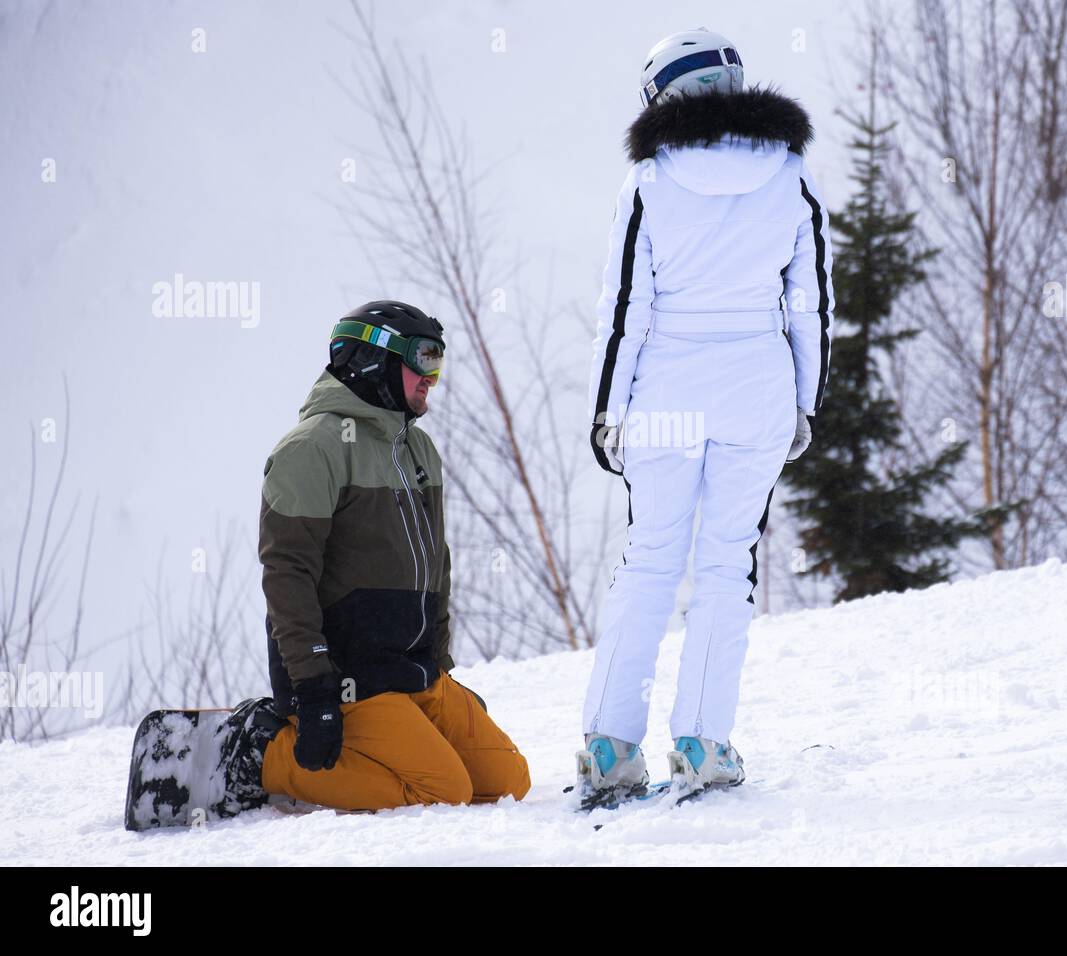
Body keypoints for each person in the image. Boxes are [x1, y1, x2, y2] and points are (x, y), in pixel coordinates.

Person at [578, 29, 835, 801]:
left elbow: (623, 310)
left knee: (651, 556)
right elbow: (811, 305)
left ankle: (608, 748)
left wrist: (608, 411)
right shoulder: (792, 177)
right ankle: (702, 743)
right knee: (728, 564)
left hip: (664, 388)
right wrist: (803, 401)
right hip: (756, 382)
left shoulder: (649, 183)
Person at [243, 300, 531, 812]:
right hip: (350, 679)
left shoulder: (418, 452)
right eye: (422, 359)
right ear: (372, 360)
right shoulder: (314, 448)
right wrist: (313, 692)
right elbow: (287, 577)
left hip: (414, 673)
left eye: (438, 362)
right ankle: (256, 752)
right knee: (443, 793)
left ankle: (410, 723)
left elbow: (435, 569)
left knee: (508, 782)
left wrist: (440, 667)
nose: (432, 377)